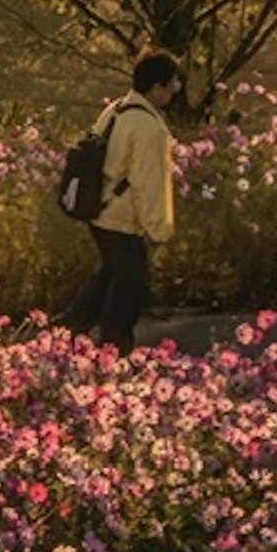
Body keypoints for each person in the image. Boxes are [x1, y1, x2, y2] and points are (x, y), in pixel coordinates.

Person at [57, 51, 184, 353]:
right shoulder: (149, 128)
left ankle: (67, 333)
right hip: (122, 217)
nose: (176, 89)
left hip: (99, 211)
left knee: (109, 275)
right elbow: (149, 184)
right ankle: (115, 349)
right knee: (129, 287)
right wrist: (159, 230)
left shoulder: (116, 109)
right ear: (155, 88)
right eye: (172, 84)